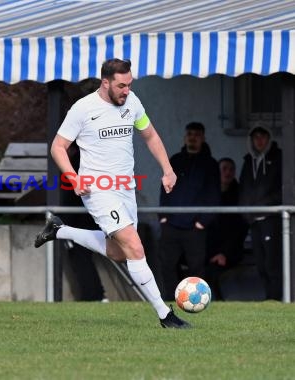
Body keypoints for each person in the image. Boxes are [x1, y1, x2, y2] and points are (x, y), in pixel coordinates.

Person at [35, 58, 190, 328]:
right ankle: (165, 315)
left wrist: (167, 169)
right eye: (121, 86)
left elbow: (150, 135)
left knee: (120, 252)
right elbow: (58, 147)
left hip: (126, 189)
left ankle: (59, 231)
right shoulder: (83, 109)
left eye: (129, 85)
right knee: (134, 245)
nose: (126, 91)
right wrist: (73, 178)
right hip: (98, 189)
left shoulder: (132, 102)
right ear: (105, 83)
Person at [158, 122, 220, 300]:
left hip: (195, 227)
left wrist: (202, 222)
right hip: (171, 224)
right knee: (167, 265)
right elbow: (165, 188)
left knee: (196, 267)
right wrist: (163, 217)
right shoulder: (175, 160)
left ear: (203, 138)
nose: (193, 138)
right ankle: (170, 302)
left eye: (197, 135)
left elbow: (213, 195)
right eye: (189, 134)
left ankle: (197, 301)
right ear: (185, 137)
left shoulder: (210, 164)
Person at [238, 125, 283, 301]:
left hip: (271, 219)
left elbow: (282, 191)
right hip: (254, 221)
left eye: (263, 137)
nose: (259, 140)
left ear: (269, 138)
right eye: (255, 137)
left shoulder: (278, 158)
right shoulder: (249, 161)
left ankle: (277, 299)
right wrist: (246, 212)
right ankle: (268, 298)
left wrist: (262, 205)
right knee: (261, 265)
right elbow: (243, 188)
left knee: (273, 264)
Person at [60, 142, 108, 302]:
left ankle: (94, 295)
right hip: (94, 218)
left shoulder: (75, 166)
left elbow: (71, 198)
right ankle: (97, 295)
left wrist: (65, 224)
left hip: (80, 221)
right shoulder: (92, 162)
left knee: (81, 258)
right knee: (85, 257)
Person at [205, 158, 249, 300]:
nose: (228, 172)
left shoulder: (240, 195)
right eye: (224, 168)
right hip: (208, 251)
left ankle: (217, 303)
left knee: (211, 272)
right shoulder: (209, 193)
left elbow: (239, 231)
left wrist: (224, 253)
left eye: (231, 169)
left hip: (229, 251)